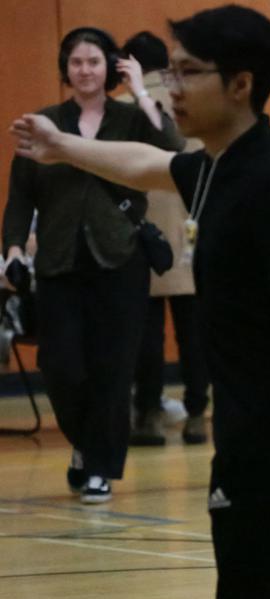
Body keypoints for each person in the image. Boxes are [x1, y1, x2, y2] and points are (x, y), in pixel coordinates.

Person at [9, 6, 270, 599]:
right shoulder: (219, 168)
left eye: (188, 72)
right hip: (256, 424)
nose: (173, 89)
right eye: (172, 72)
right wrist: (62, 146)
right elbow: (144, 162)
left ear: (241, 84)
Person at [1, 26, 183, 503]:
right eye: (76, 62)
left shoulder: (130, 119)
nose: (85, 70)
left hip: (119, 258)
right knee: (60, 367)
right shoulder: (44, 121)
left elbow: (173, 145)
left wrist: (142, 89)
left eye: (94, 61)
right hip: (59, 262)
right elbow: (20, 196)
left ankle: (100, 465)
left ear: (112, 68)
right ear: (66, 68)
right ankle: (85, 444)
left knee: (113, 368)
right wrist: (15, 250)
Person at [118, 30, 210, 446]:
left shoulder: (121, 110)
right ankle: (196, 415)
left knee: (146, 336)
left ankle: (150, 414)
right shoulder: (190, 105)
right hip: (190, 236)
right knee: (194, 335)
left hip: (141, 237)